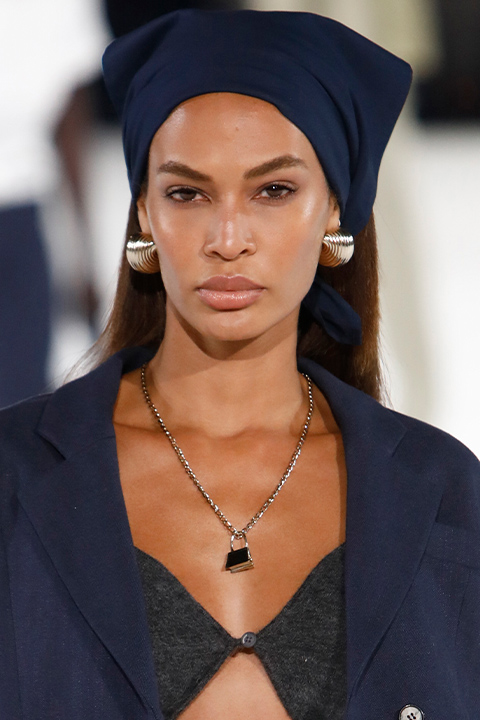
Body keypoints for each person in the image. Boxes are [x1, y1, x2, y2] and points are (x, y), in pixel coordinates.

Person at [1, 10, 479, 720]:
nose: (228, 238)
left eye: (273, 191)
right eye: (187, 193)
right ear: (144, 213)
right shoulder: (13, 476)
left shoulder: (442, 493)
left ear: (335, 209)